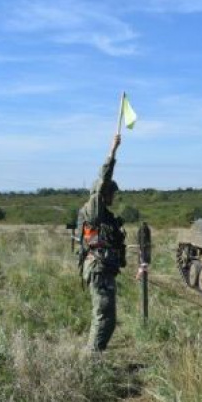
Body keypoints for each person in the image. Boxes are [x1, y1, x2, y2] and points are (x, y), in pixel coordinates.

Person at [78, 134, 127, 352]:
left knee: (107, 318)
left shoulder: (103, 213)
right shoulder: (94, 208)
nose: (113, 197)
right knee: (104, 317)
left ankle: (94, 356)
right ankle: (91, 360)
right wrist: (112, 150)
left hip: (104, 269)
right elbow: (103, 180)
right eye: (111, 193)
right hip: (98, 268)